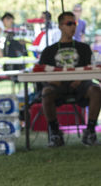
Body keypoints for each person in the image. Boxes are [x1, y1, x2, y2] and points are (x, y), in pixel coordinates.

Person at [38, 11, 101, 147]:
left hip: (81, 86)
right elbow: (41, 73)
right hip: (57, 87)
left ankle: (90, 131)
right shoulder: (49, 51)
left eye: (75, 23)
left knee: (96, 90)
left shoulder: (84, 48)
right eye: (69, 23)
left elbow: (91, 68)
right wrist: (50, 80)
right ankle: (55, 133)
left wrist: (81, 79)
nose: (73, 27)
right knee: (46, 92)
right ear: (60, 26)